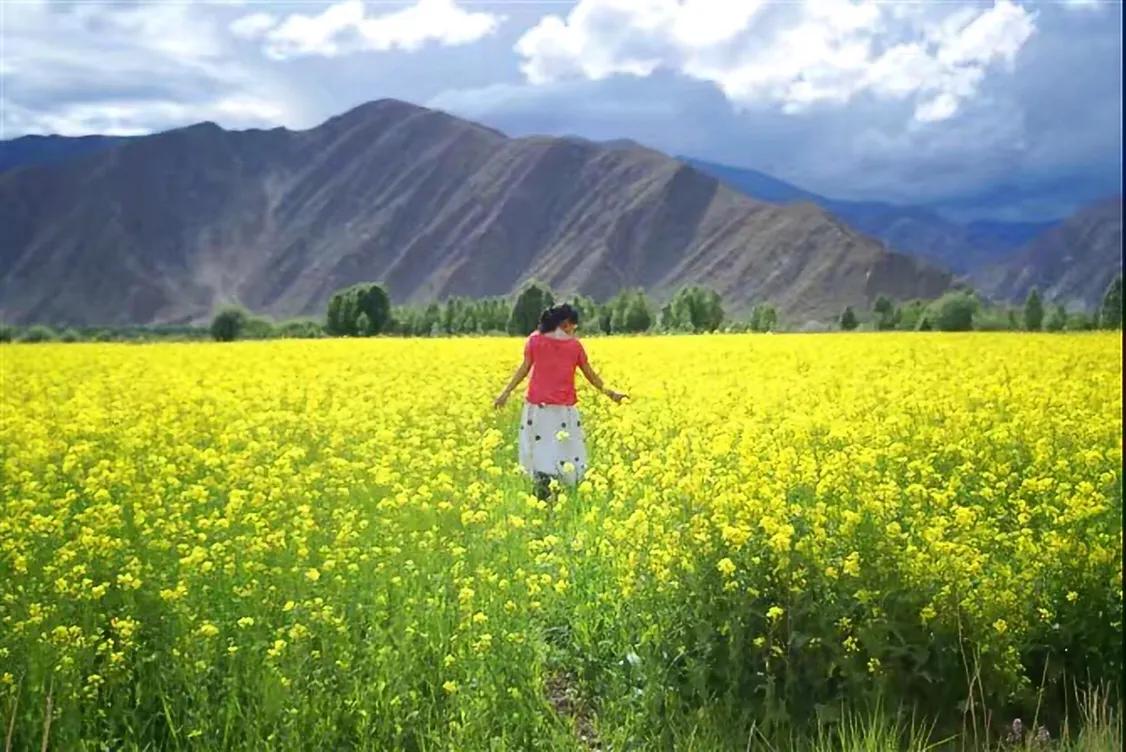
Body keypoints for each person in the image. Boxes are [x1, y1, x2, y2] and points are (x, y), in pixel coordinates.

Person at [493, 303, 627, 501]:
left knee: (545, 451)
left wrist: (611, 393)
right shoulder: (550, 343)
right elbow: (590, 376)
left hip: (543, 409)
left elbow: (524, 370)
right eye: (573, 326)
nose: (574, 330)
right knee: (561, 452)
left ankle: (550, 494)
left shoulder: (546, 342)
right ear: (564, 324)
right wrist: (505, 392)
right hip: (556, 411)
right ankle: (547, 494)